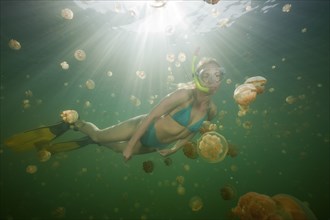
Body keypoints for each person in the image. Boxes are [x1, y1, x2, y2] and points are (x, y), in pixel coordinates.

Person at [5, 55, 225, 161]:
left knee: (112, 147)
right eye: (206, 75)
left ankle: (90, 140)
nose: (212, 80)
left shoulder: (211, 111)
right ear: (197, 78)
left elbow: (193, 131)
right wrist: (130, 144)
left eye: (218, 75)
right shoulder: (182, 96)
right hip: (142, 128)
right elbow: (151, 116)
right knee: (102, 137)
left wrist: (175, 149)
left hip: (154, 145)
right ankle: (78, 122)